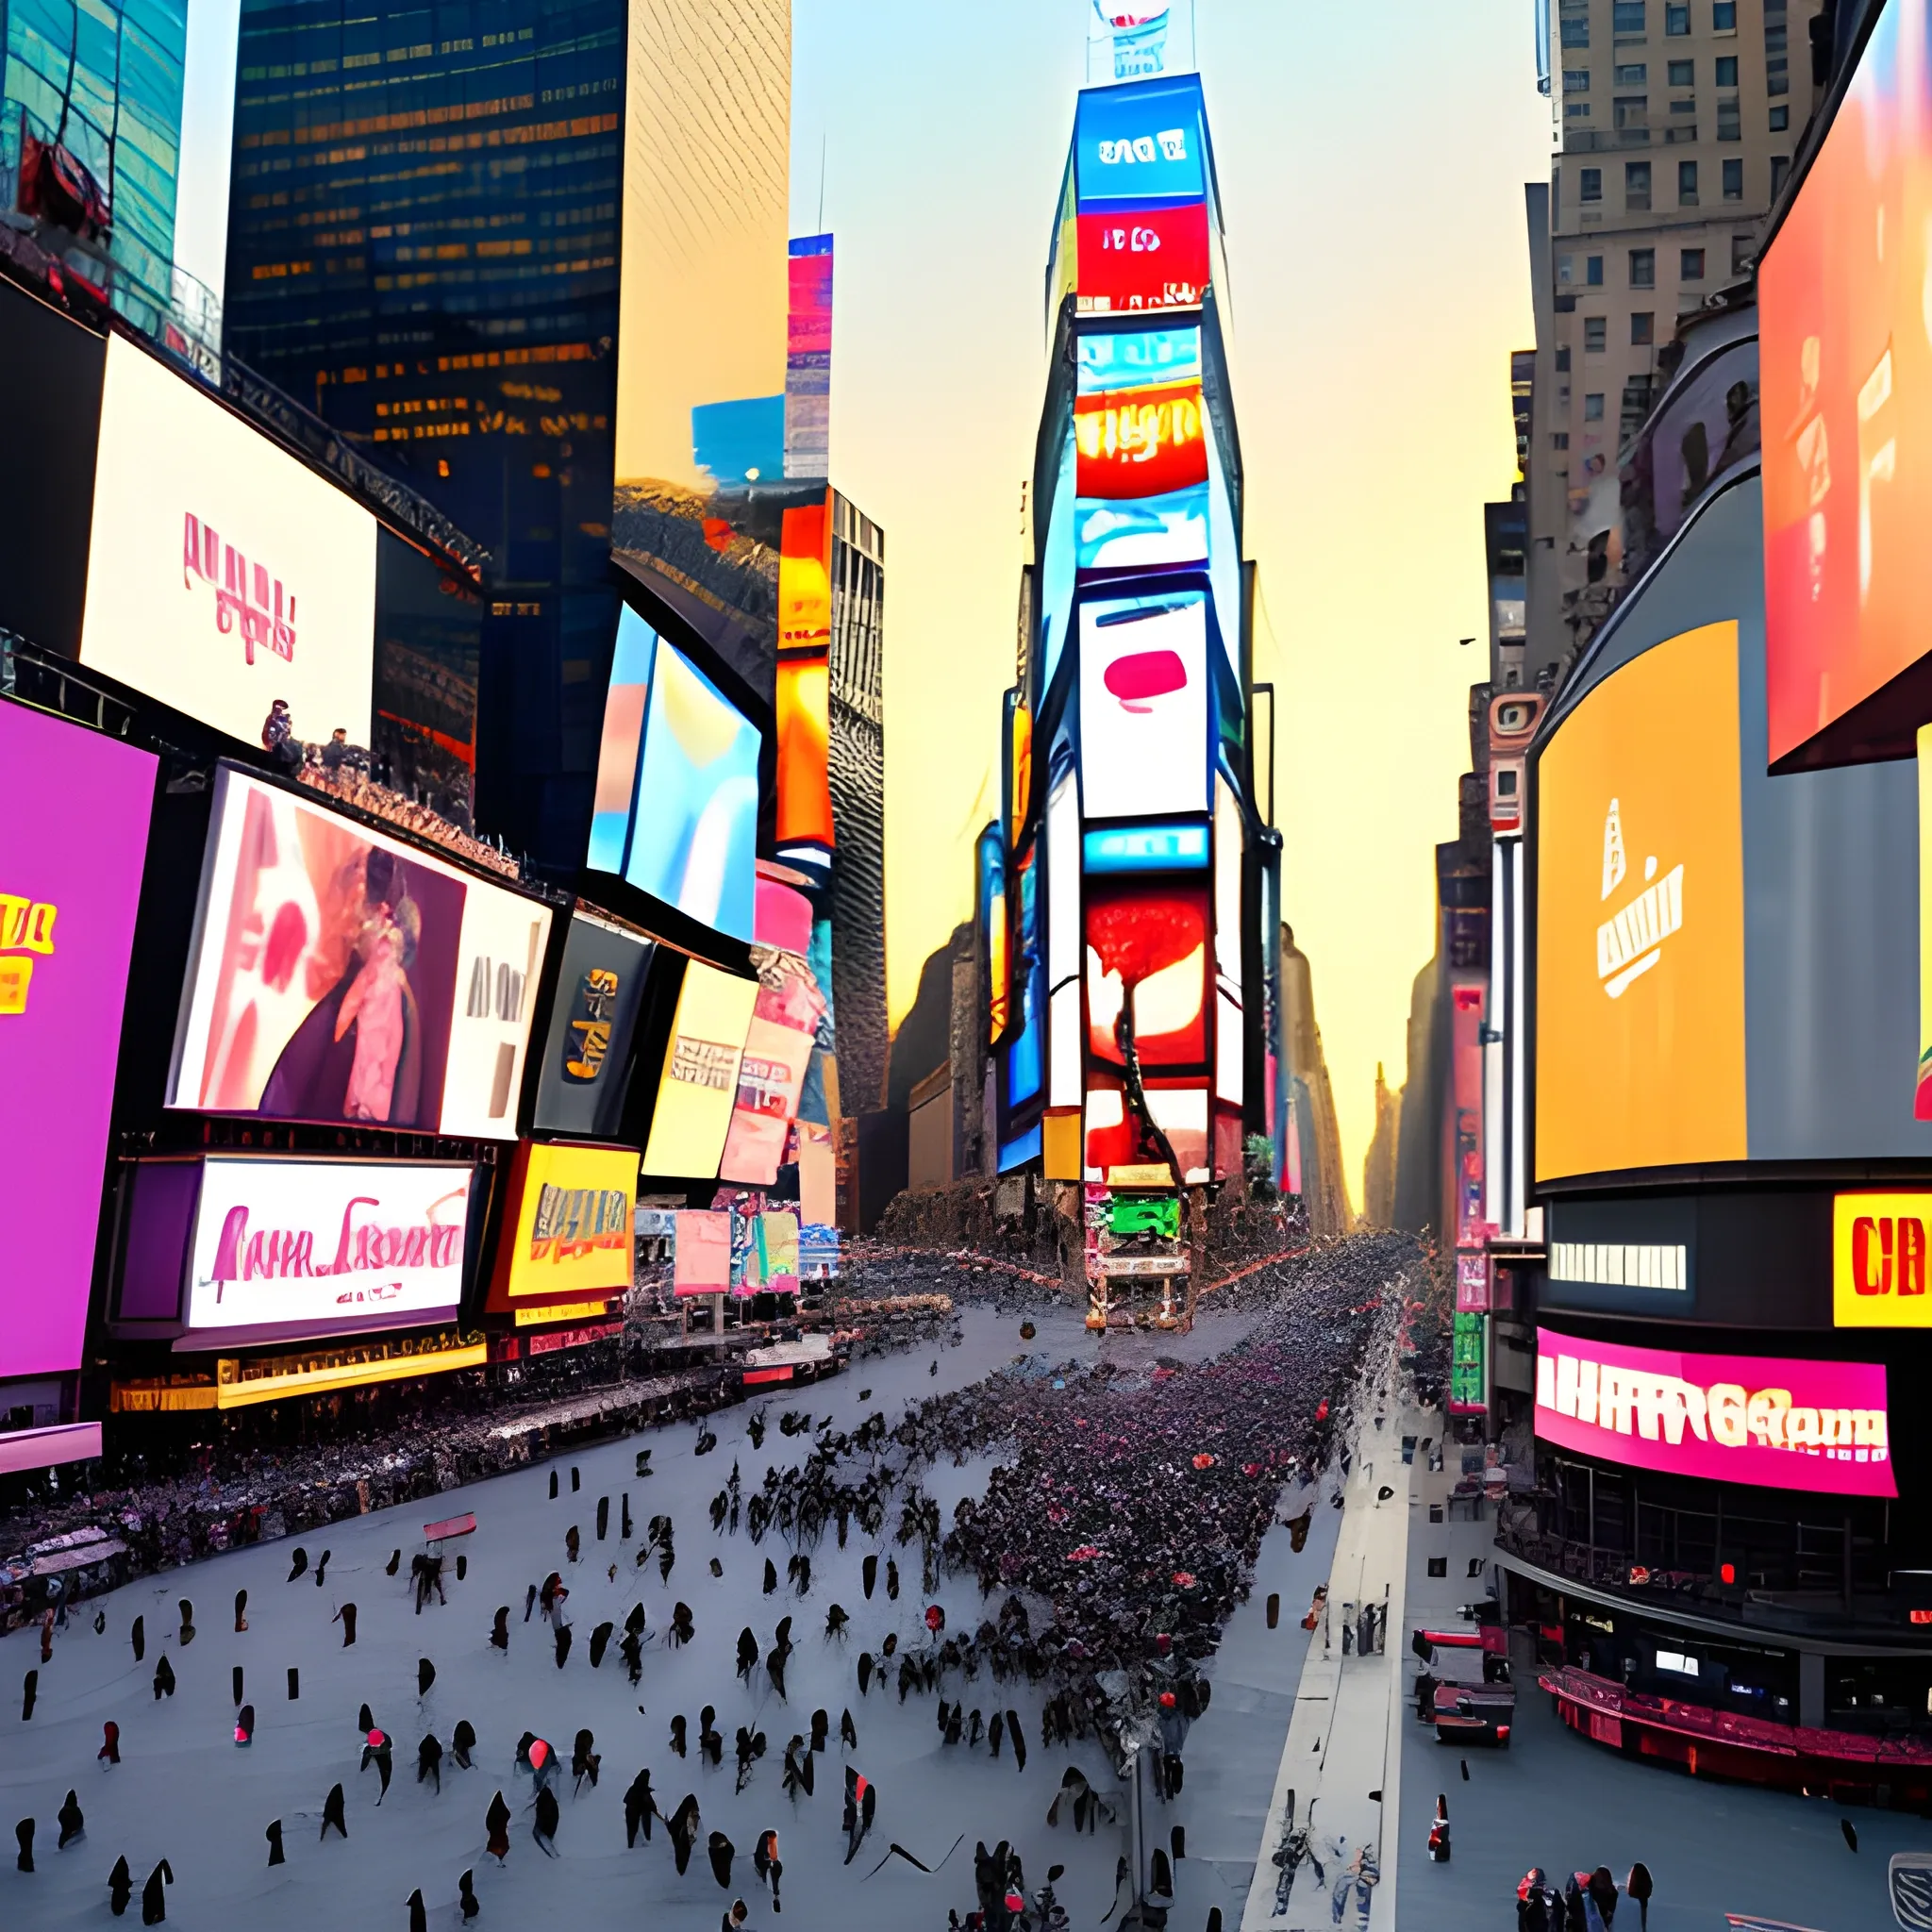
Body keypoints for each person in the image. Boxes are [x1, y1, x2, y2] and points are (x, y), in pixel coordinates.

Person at [1426, 1794, 1449, 1863]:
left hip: (1438, 1856)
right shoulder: (1445, 1824)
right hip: (1445, 1854)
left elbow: (1433, 1843)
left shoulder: (1438, 1826)